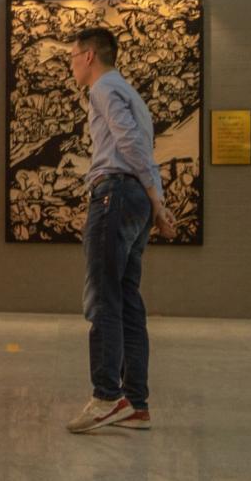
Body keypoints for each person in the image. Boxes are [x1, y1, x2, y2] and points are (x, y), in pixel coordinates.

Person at [65, 26, 175, 433]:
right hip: (135, 199)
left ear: (89, 55)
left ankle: (107, 398)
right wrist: (154, 201)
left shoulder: (103, 89)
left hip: (114, 195)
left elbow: (130, 145)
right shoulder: (130, 92)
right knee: (127, 300)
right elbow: (144, 150)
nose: (71, 64)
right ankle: (136, 403)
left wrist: (155, 199)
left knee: (104, 299)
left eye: (72, 56)